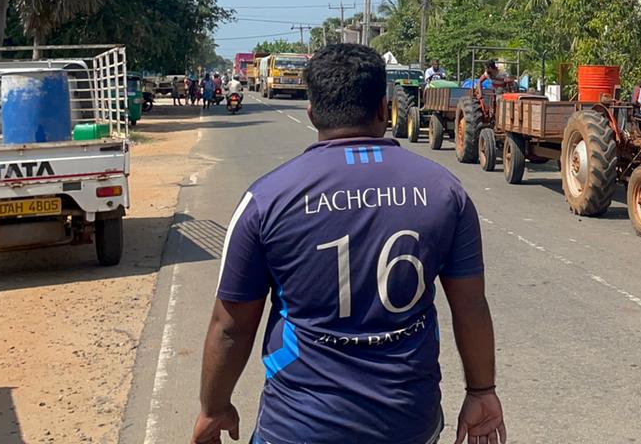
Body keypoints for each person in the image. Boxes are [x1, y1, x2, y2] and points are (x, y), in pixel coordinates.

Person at [193, 43, 505, 444]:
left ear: (311, 112)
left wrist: (213, 408)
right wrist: (481, 392)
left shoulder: (266, 200)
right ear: (383, 108)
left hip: (299, 426)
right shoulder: (444, 192)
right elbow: (471, 305)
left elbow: (231, 327)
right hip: (409, 422)